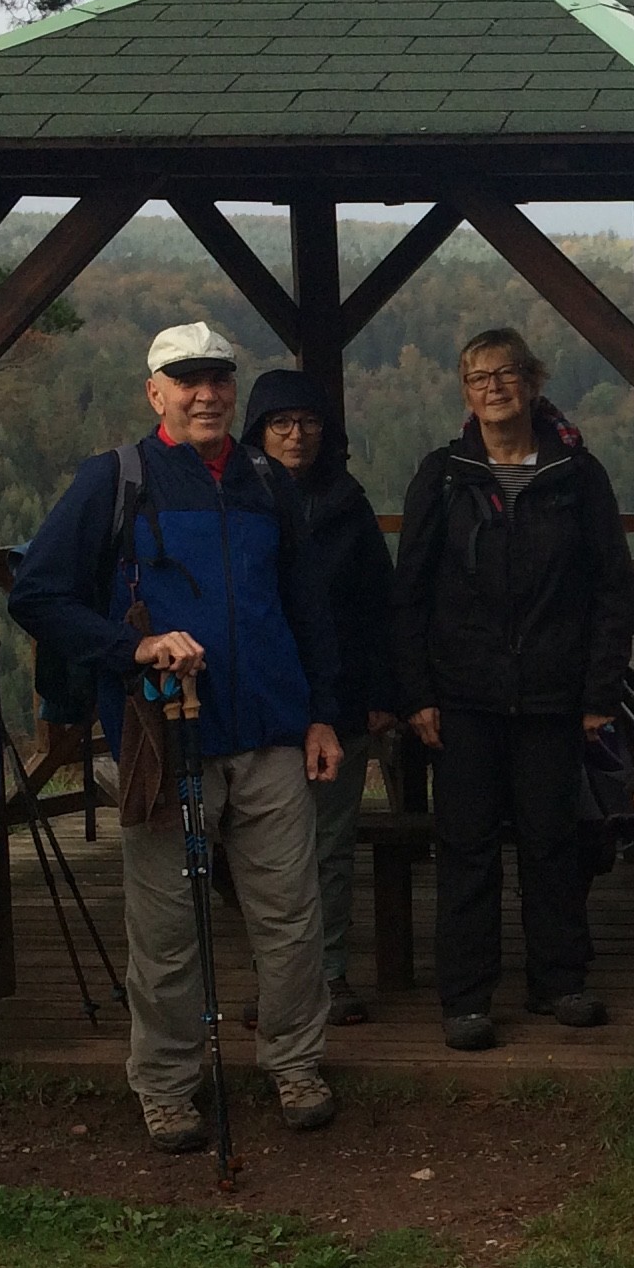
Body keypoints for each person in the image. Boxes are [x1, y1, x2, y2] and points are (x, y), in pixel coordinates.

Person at [9, 321, 346, 1151]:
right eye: (186, 380)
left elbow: (309, 611)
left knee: (292, 917)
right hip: (163, 741)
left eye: (218, 380)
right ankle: (166, 1083)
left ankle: (295, 1062)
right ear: (154, 391)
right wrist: (132, 648)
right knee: (165, 928)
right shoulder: (116, 481)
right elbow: (38, 595)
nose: (206, 394)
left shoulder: (269, 482)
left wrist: (323, 713)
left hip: (269, 730)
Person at [390, 328, 634, 1051]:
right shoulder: (442, 476)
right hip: (461, 700)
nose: (493, 388)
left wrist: (600, 691)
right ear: (464, 392)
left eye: (506, 374)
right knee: (464, 848)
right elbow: (408, 597)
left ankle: (560, 981)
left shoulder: (577, 475)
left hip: (554, 699)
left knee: (553, 843)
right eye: (477, 377)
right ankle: (466, 997)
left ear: (533, 382)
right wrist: (417, 695)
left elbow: (612, 591)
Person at [243, 370, 401, 1030]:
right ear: (257, 430)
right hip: (259, 705)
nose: (296, 434)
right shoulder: (235, 499)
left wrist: (382, 694)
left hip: (338, 704)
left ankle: (328, 972)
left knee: (329, 846)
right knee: (260, 852)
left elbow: (378, 605)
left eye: (308, 421)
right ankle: (278, 979)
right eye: (281, 422)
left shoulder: (347, 502)